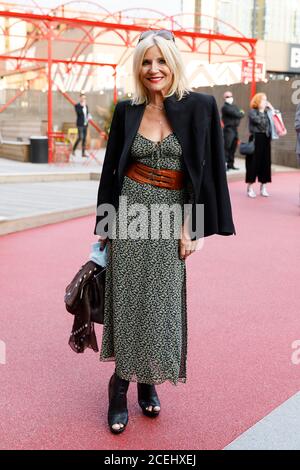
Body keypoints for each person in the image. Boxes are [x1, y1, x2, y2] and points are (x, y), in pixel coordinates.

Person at [93, 29, 236, 434]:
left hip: (171, 217)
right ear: (137, 67)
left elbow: (209, 173)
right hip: (130, 215)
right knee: (126, 301)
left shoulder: (201, 106)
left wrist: (195, 227)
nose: (153, 69)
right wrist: (104, 229)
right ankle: (120, 386)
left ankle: (149, 381)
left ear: (173, 62)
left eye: (160, 60)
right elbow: (111, 174)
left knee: (162, 304)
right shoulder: (127, 109)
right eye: (145, 61)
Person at [246, 93, 274, 198]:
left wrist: (271, 109)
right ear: (257, 101)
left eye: (266, 100)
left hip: (265, 139)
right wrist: (263, 111)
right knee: (253, 164)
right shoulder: (253, 112)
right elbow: (259, 122)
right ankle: (249, 187)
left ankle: (263, 187)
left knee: (265, 163)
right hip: (255, 139)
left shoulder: (268, 112)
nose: (265, 102)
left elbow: (274, 122)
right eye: (263, 100)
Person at [221, 91, 245, 171]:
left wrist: (239, 113)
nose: (230, 98)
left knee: (233, 147)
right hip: (228, 129)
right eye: (227, 96)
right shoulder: (225, 108)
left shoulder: (234, 106)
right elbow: (237, 114)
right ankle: (224, 165)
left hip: (235, 129)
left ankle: (231, 165)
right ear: (224, 98)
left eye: (230, 96)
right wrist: (238, 113)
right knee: (227, 147)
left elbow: (242, 112)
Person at [72, 92, 91, 157]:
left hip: (85, 124)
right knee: (80, 137)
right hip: (80, 124)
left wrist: (89, 117)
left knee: (84, 139)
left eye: (84, 98)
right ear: (80, 98)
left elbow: (87, 114)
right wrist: (82, 106)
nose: (83, 99)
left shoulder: (86, 106)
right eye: (82, 98)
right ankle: (73, 149)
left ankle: (83, 153)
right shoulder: (77, 106)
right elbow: (79, 113)